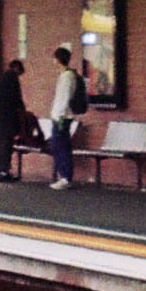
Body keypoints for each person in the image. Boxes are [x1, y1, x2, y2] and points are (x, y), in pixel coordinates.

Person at [44, 45, 84, 190]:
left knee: (60, 145)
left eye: (54, 58)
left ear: (58, 59)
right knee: (59, 145)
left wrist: (58, 115)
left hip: (62, 117)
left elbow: (64, 97)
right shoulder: (65, 75)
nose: (53, 61)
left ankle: (65, 177)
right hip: (61, 116)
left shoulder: (67, 76)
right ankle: (64, 176)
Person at [0, 58, 30, 182]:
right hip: (7, 119)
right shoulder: (12, 78)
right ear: (17, 68)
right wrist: (22, 110)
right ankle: (4, 172)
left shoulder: (3, 78)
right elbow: (16, 99)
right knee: (6, 146)